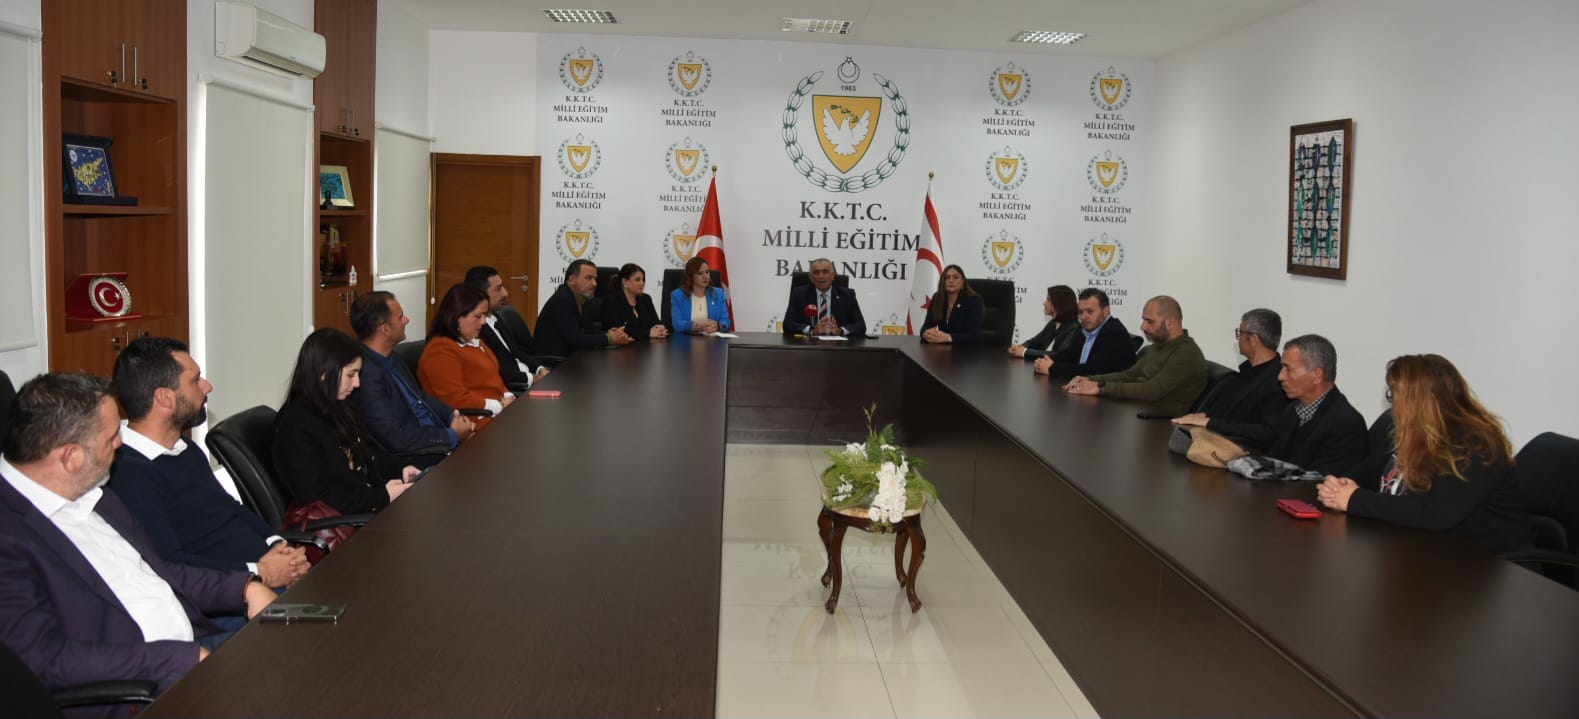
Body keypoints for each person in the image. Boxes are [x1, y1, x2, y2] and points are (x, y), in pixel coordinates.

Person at [0, 373, 275, 698]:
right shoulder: (10, 536)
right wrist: (175, 660)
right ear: (70, 457)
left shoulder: (97, 495)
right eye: (110, 438)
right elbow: (43, 661)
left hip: (192, 645)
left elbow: (162, 572)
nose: (120, 443)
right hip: (142, 688)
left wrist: (243, 587)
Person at [108, 338, 309, 589]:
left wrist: (278, 546)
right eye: (195, 381)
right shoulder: (129, 474)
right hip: (234, 593)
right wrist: (260, 572)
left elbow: (230, 508)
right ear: (165, 398)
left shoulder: (185, 448)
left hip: (266, 573)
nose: (207, 386)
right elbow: (171, 563)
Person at [1317, 354, 1528, 554]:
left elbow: (1437, 513)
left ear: (1421, 401)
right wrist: (1340, 485)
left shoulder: (1473, 446)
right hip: (1431, 551)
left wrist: (1355, 499)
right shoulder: (1413, 437)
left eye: (1396, 395)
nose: (1393, 404)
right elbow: (1365, 474)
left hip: (1487, 565)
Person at [275, 329, 419, 514]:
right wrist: (382, 496)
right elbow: (317, 500)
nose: (357, 383)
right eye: (351, 375)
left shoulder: (340, 406)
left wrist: (402, 468)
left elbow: (370, 455)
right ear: (324, 373)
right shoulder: (297, 425)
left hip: (367, 508)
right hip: (348, 522)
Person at [349, 291, 474, 469]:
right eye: (400, 317)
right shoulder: (364, 374)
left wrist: (452, 416)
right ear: (385, 329)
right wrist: (451, 436)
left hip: (437, 442)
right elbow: (396, 437)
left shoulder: (392, 357)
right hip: (416, 460)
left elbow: (420, 397)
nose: (406, 320)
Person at [1170, 308, 1289, 452]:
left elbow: (1266, 431)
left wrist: (1209, 422)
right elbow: (1227, 412)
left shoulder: (1279, 381)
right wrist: (1204, 416)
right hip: (1211, 441)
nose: (1238, 338)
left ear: (1253, 339)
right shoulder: (1244, 373)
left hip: (1241, 453)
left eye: (1240, 332)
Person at [1064, 295, 1208, 412]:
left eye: (1149, 321)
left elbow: (1151, 391)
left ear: (1170, 323)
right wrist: (1090, 379)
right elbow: (1129, 375)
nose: (1142, 326)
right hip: (1138, 410)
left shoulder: (1186, 353)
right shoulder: (1157, 347)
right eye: (1143, 320)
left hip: (1160, 424)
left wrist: (1100, 388)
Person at [1265, 334, 1366, 476]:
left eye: (1288, 369)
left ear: (1317, 375)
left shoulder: (1347, 424)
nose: (1280, 376)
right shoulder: (1292, 410)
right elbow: (1274, 461)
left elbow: (1320, 481)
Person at [419, 284, 515, 431]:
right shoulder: (439, 350)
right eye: (478, 316)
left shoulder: (474, 341)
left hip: (497, 416)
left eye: (485, 315)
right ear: (457, 316)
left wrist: (508, 395)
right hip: (474, 424)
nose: (483, 322)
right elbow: (454, 399)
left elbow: (495, 379)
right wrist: (499, 406)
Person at [464, 265, 554, 385]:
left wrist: (540, 369)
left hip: (527, 378)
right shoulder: (476, 329)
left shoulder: (495, 318)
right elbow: (496, 371)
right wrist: (533, 378)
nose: (505, 293)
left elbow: (516, 351)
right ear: (480, 294)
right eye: (498, 289)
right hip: (515, 386)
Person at [1032, 288, 1136, 379]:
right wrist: (1045, 361)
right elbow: (1069, 355)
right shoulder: (1086, 328)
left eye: (1090, 312)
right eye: (1081, 312)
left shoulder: (1114, 333)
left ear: (1106, 311)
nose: (1083, 317)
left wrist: (1052, 368)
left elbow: (1093, 371)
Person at [537, 259, 634, 355]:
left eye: (595, 279)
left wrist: (608, 334)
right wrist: (609, 338)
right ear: (572, 280)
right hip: (554, 361)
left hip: (573, 357)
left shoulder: (582, 299)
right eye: (588, 278)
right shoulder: (562, 301)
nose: (595, 284)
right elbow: (575, 339)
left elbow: (588, 329)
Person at [780, 257, 863, 337]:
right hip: (809, 344)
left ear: (833, 275)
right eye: (816, 273)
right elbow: (787, 324)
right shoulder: (799, 294)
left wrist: (840, 331)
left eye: (825, 272)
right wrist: (812, 331)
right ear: (811, 278)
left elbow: (861, 325)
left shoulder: (848, 295)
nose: (821, 276)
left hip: (838, 344)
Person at [600, 263, 669, 340]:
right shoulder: (611, 300)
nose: (642, 283)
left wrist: (661, 329)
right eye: (637, 280)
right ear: (625, 282)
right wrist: (648, 333)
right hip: (622, 346)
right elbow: (617, 331)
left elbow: (656, 323)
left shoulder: (645, 299)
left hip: (646, 345)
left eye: (643, 280)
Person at [1010, 285, 1080, 360]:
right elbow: (1035, 342)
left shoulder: (1074, 328)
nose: (1044, 303)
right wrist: (1020, 347)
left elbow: (1059, 354)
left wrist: (1024, 352)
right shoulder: (1054, 323)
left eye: (1048, 299)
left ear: (1059, 303)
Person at [918, 264, 983, 345]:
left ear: (962, 282)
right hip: (942, 349)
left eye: (955, 277)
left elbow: (975, 337)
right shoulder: (937, 298)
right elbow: (925, 328)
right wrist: (926, 334)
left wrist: (948, 337)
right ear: (943, 282)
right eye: (947, 277)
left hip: (966, 350)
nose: (951, 280)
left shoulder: (974, 301)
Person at [674, 256, 734, 334]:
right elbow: (677, 324)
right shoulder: (678, 295)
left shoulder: (718, 294)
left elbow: (726, 321)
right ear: (691, 276)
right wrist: (698, 326)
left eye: (707, 272)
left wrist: (717, 326)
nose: (705, 277)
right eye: (700, 273)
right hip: (687, 340)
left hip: (713, 340)